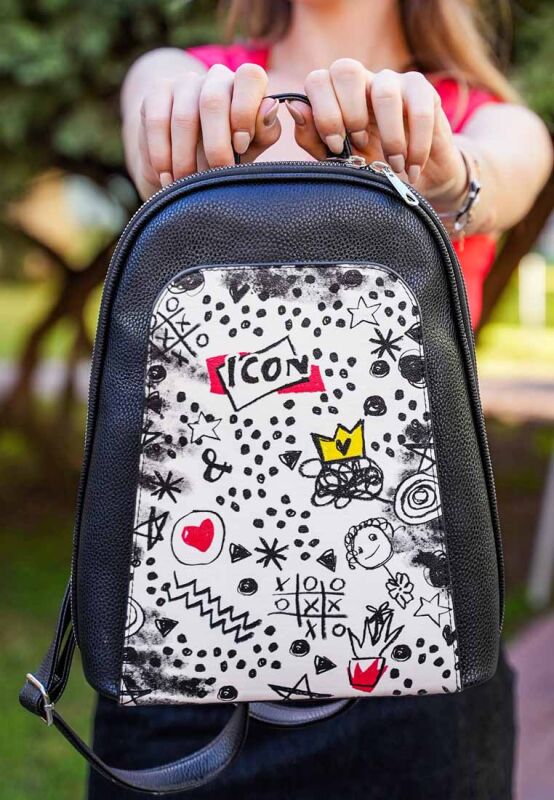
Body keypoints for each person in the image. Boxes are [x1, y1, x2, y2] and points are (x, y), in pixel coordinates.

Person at [90, 2, 552, 798]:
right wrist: (189, 131)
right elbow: (152, 119)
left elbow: (495, 175)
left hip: (415, 643)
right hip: (179, 651)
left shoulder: (484, 115)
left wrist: (444, 171)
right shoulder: (188, 76)